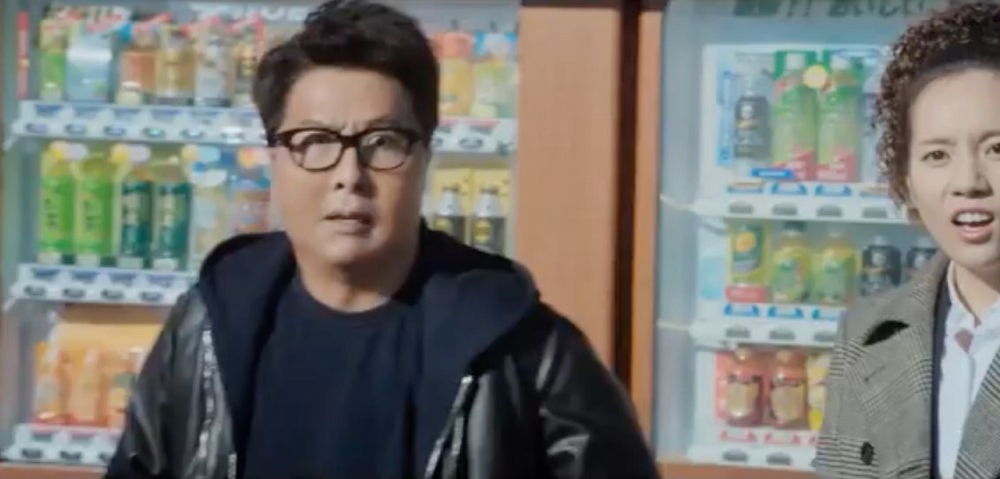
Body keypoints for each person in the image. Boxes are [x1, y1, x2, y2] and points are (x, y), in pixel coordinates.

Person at [104, 1, 657, 478]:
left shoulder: (522, 346)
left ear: (424, 157)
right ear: (274, 158)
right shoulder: (209, 324)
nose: (350, 175)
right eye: (315, 141)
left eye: (383, 141)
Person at [815, 2, 1000, 478]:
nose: (968, 182)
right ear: (907, 182)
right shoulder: (869, 334)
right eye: (937, 155)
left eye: (998, 148)